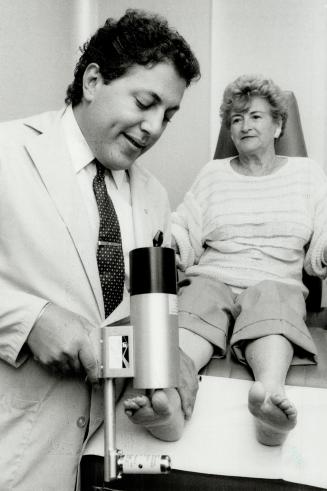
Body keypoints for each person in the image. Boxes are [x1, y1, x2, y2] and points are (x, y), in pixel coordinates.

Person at [0, 9, 201, 490]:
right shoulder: (7, 154)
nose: (154, 127)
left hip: (102, 447)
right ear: (93, 80)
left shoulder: (153, 196)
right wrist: (27, 319)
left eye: (168, 116)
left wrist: (165, 356)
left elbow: (132, 313)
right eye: (146, 102)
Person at [172, 74, 327, 446]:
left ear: (278, 125)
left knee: (272, 296)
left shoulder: (307, 174)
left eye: (256, 116)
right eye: (236, 119)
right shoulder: (212, 175)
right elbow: (183, 228)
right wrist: (171, 247)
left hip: (275, 281)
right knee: (200, 294)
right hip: (215, 277)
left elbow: (323, 232)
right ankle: (171, 395)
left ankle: (269, 401)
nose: (244, 125)